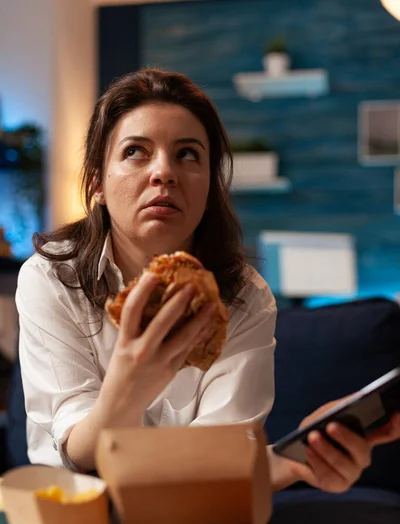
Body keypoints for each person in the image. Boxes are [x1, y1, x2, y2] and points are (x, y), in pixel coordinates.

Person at [16, 68, 400, 494]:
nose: (164, 172)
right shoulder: (50, 277)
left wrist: (298, 459)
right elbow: (78, 454)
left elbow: (214, 465)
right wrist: (130, 383)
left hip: (193, 518)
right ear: (97, 183)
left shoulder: (244, 297)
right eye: (135, 152)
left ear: (210, 186)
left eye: (187, 154)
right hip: (78, 519)